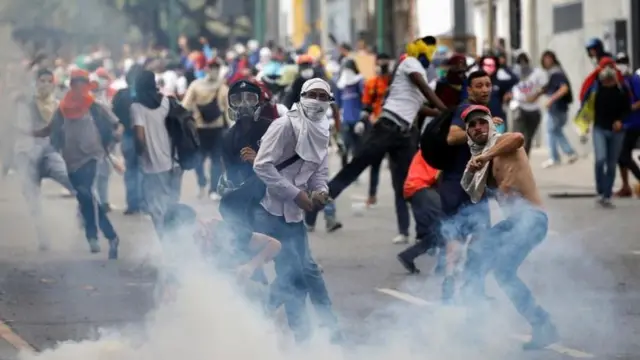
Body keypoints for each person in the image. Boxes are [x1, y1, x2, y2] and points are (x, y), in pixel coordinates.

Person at [306, 36, 448, 245]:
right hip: (387, 128)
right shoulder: (410, 62)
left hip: (404, 134)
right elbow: (424, 89)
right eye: (430, 53)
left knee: (405, 184)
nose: (431, 58)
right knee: (355, 167)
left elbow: (418, 106)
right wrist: (447, 111)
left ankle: (407, 231)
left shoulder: (417, 79)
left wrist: (442, 114)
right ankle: (314, 207)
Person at [458, 104, 558, 350]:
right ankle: (476, 321)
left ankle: (542, 323)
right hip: (513, 223)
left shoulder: (502, 144)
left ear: (491, 124)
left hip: (532, 218)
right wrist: (476, 164)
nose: (478, 127)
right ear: (467, 133)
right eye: (472, 125)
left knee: (501, 269)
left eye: (482, 122)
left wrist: (484, 156)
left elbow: (518, 137)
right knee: (476, 261)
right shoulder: (480, 163)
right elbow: (470, 190)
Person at [252, 78, 341, 343]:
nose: (316, 100)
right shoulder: (284, 126)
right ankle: (313, 330)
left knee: (302, 273)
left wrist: (320, 191)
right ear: (301, 97)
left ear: (329, 102)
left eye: (322, 96)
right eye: (311, 94)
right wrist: (296, 194)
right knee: (297, 273)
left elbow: (319, 173)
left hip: (294, 214)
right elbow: (261, 166)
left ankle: (318, 332)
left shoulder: (323, 130)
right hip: (269, 210)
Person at [31, 69, 121, 259]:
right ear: (71, 85)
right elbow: (49, 130)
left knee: (86, 192)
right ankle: (111, 236)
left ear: (88, 85)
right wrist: (27, 132)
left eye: (83, 82)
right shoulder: (63, 108)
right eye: (76, 83)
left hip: (91, 156)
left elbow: (115, 124)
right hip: (70, 160)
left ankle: (93, 236)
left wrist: (115, 139)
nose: (80, 87)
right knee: (85, 198)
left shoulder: (95, 106)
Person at [13, 68, 75, 250]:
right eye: (42, 81)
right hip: (26, 154)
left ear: (54, 84)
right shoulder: (24, 102)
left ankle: (85, 223)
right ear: (36, 82)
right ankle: (43, 236)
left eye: (49, 81)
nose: (45, 85)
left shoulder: (58, 105)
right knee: (33, 200)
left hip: (49, 153)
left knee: (73, 182)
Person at [132, 70, 183, 237]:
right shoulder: (166, 102)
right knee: (171, 205)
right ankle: (179, 243)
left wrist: (138, 155)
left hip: (153, 166)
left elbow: (140, 138)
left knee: (155, 208)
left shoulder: (137, 107)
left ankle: (167, 245)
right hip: (173, 162)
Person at [576, 61, 630, 207]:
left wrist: (621, 121)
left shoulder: (622, 90)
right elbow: (586, 106)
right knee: (600, 159)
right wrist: (584, 125)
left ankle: (607, 195)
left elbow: (627, 109)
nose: (607, 83)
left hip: (617, 132)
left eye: (610, 80)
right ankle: (600, 190)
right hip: (599, 128)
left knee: (611, 164)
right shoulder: (596, 90)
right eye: (604, 80)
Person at [181, 58, 230, 200]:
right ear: (206, 69)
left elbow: (185, 106)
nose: (214, 70)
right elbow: (186, 106)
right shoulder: (197, 86)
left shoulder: (221, 88)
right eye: (212, 67)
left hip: (215, 129)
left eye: (216, 67)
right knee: (201, 160)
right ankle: (204, 185)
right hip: (201, 129)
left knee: (215, 160)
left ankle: (212, 189)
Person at [396, 151, 442, 273]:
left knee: (443, 229)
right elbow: (439, 177)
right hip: (421, 187)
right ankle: (441, 267)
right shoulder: (443, 146)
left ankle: (409, 256)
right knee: (448, 226)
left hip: (415, 189)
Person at [359, 53, 393, 206]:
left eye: (385, 62)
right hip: (378, 126)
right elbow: (366, 105)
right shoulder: (371, 83)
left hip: (395, 125)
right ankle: (372, 194)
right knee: (375, 162)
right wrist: (363, 119)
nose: (382, 65)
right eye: (380, 63)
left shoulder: (396, 83)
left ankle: (405, 193)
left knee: (398, 164)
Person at [537, 50, 578, 168]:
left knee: (551, 131)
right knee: (556, 131)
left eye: (549, 59)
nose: (547, 61)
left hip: (556, 108)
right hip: (559, 107)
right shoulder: (555, 73)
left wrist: (551, 100)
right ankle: (569, 153)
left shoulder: (556, 73)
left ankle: (555, 157)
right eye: (545, 59)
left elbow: (564, 89)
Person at [510, 52, 548, 155]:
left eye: (524, 62)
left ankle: (525, 158)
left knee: (528, 137)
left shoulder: (537, 73)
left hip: (534, 109)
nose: (522, 65)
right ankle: (517, 157)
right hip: (519, 108)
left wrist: (535, 96)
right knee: (518, 135)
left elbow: (545, 86)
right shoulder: (514, 74)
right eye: (520, 62)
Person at [614, 53, 640, 197]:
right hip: (623, 123)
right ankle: (625, 186)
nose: (620, 65)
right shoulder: (619, 80)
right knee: (621, 156)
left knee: (624, 155)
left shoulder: (634, 80)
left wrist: (629, 108)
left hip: (634, 123)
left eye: (622, 62)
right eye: (618, 62)